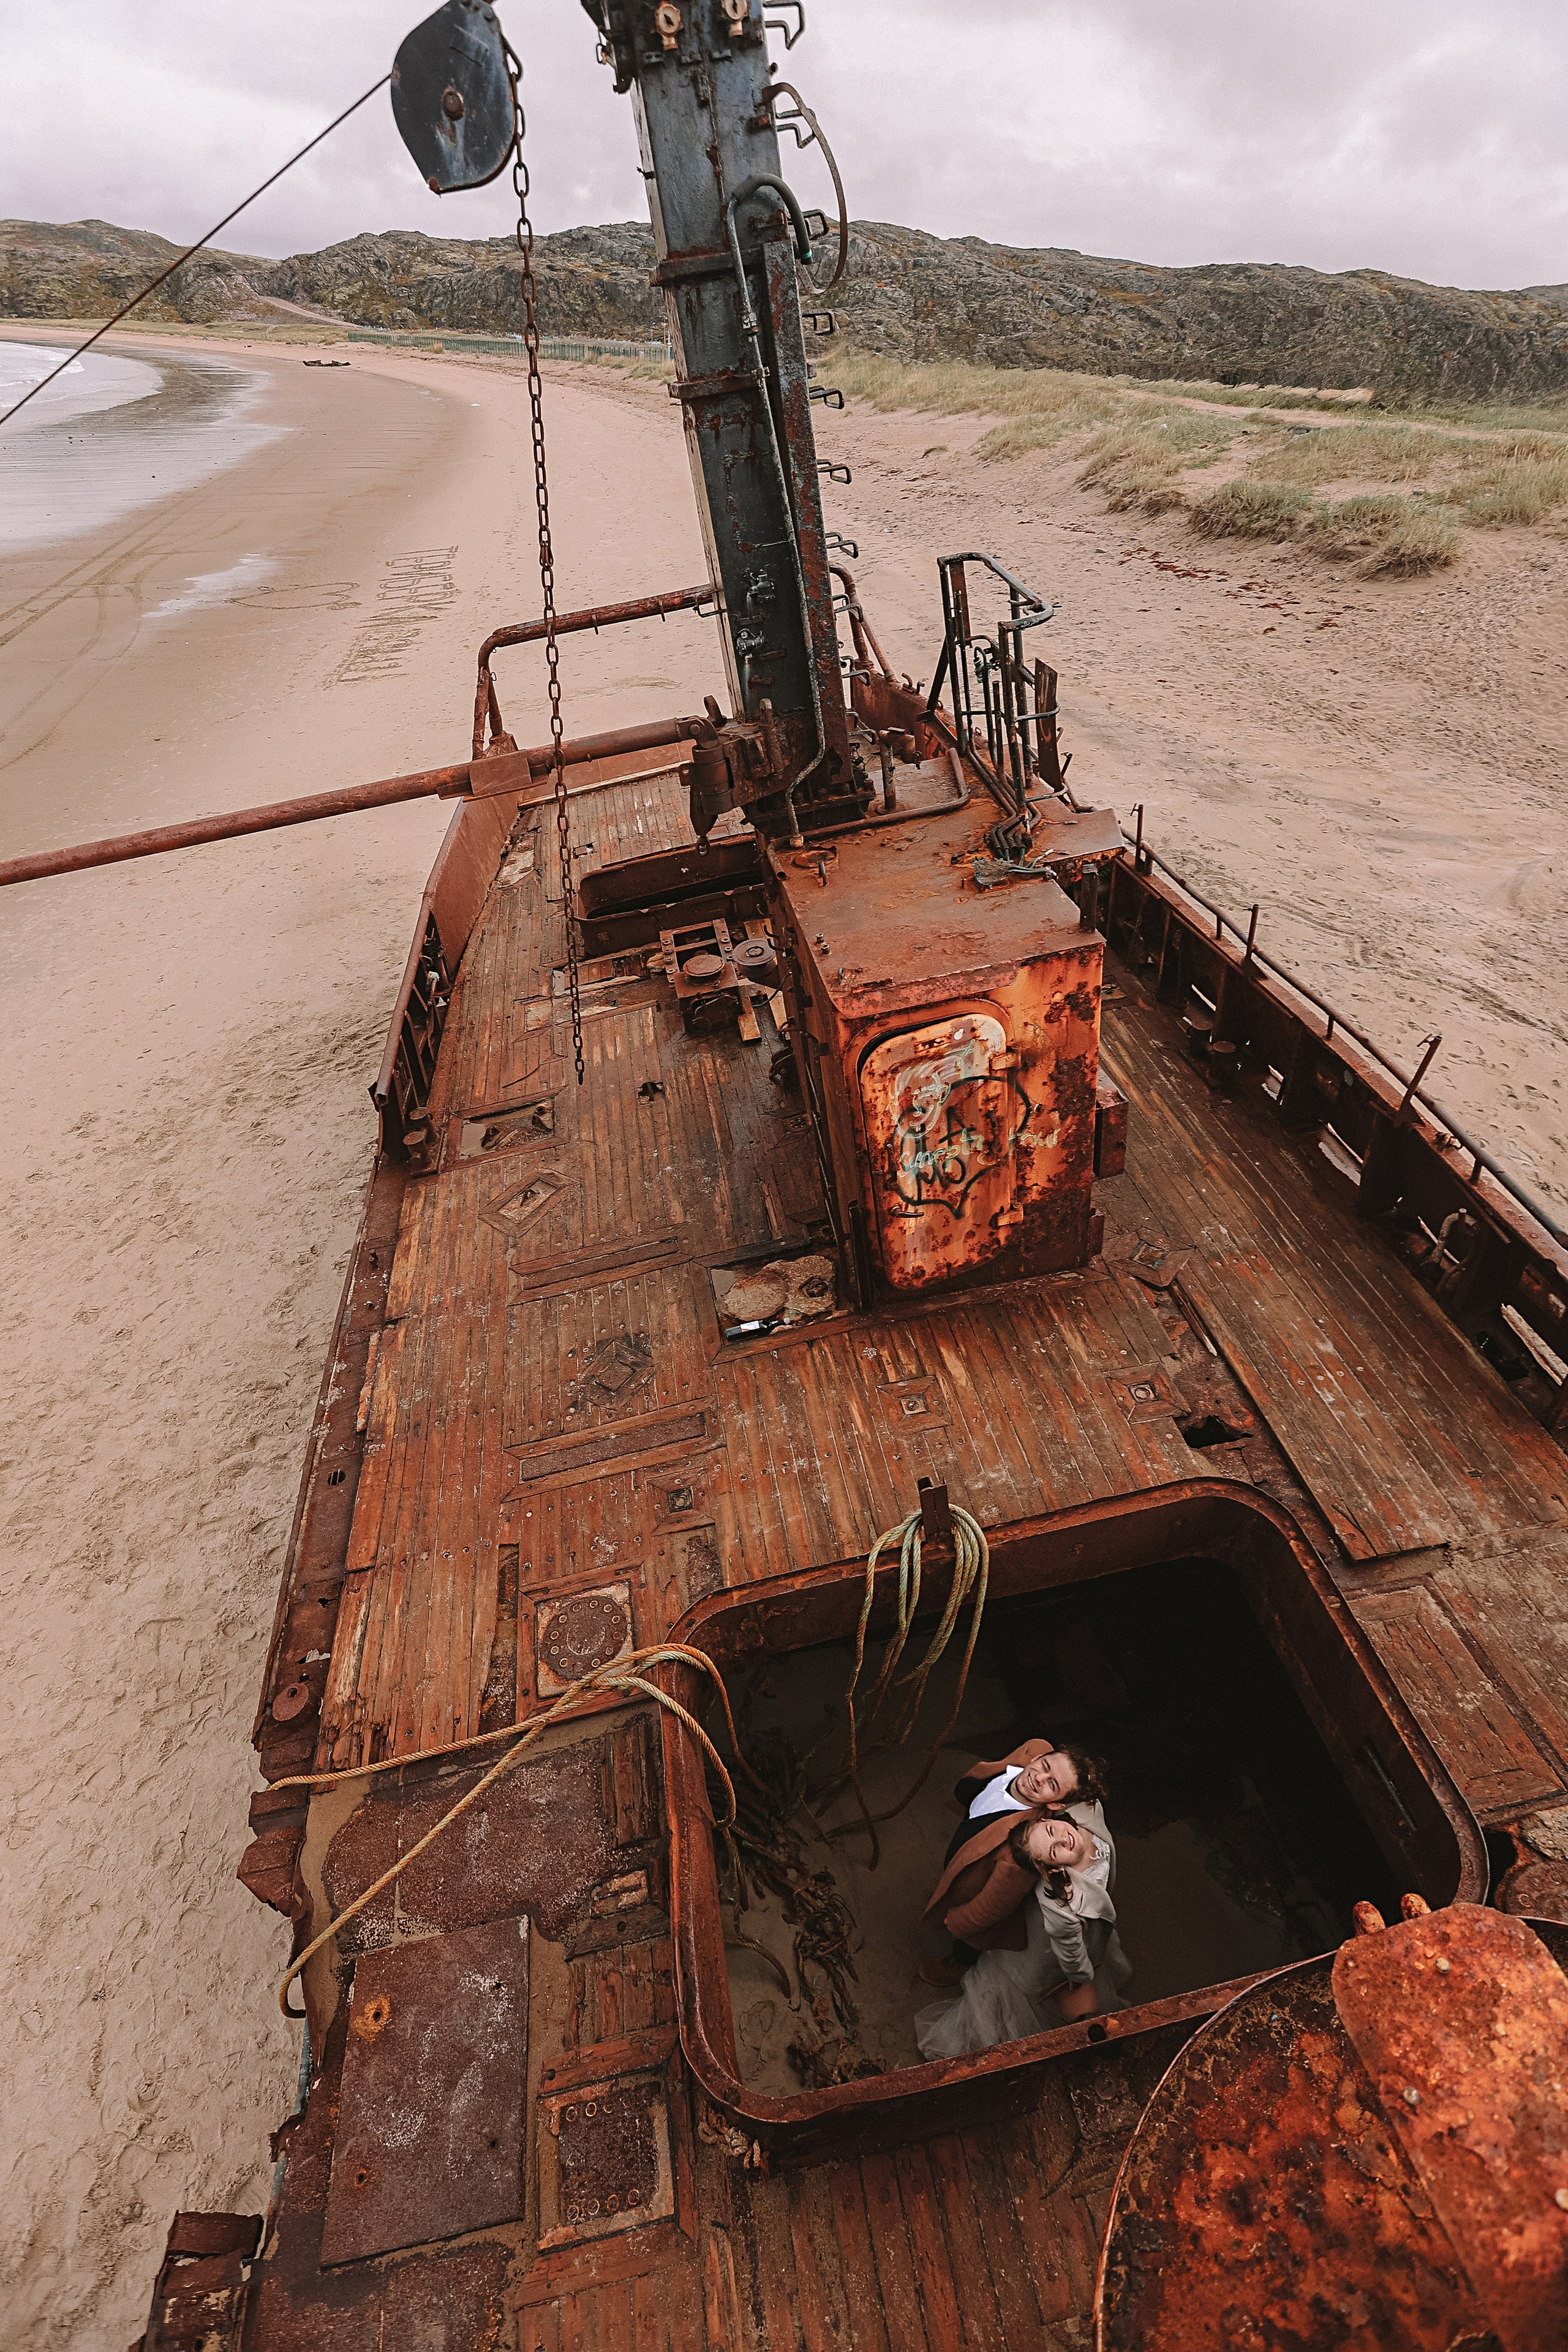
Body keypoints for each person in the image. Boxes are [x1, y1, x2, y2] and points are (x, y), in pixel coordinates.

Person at [914, 1809, 1133, 2061]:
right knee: (1041, 1988)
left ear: (1049, 1820)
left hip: (1088, 1929)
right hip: (1052, 1951)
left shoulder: (1086, 1811)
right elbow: (1073, 1961)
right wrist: (1082, 1977)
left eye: (1052, 1831)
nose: (1063, 1840)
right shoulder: (1062, 1907)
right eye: (1053, 1852)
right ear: (1053, 1870)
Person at [918, 1740, 1108, 1989]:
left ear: (1056, 1805)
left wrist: (959, 1922)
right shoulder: (1032, 1750)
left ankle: (960, 1962)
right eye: (1045, 1766)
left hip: (977, 1882)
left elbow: (992, 1907)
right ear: (1036, 1758)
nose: (1039, 1778)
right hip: (971, 1839)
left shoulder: (1021, 1850)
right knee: (958, 1855)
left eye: (1052, 1785)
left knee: (972, 1939)